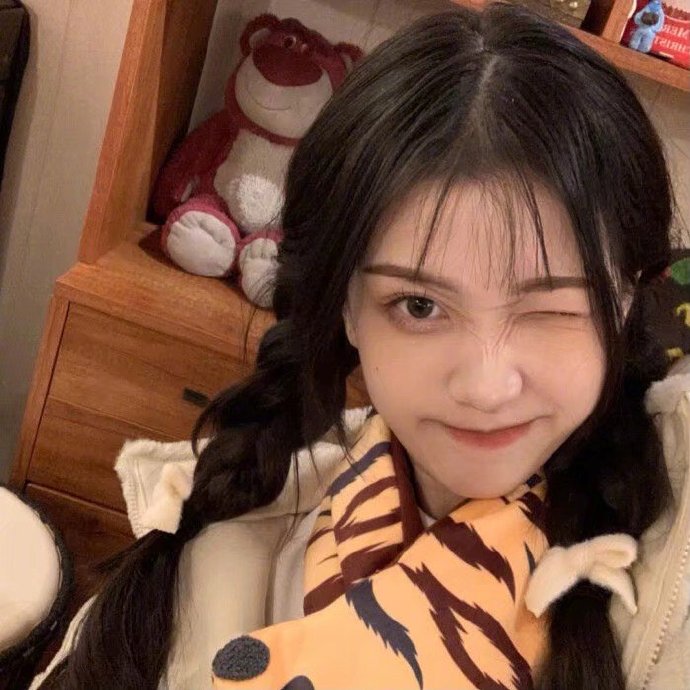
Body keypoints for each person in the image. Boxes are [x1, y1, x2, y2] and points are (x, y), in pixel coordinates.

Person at [33, 3, 688, 689]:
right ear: (347, 306)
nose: (486, 386)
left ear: (624, 300)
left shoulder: (672, 570)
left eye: (551, 308)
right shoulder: (222, 536)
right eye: (420, 306)